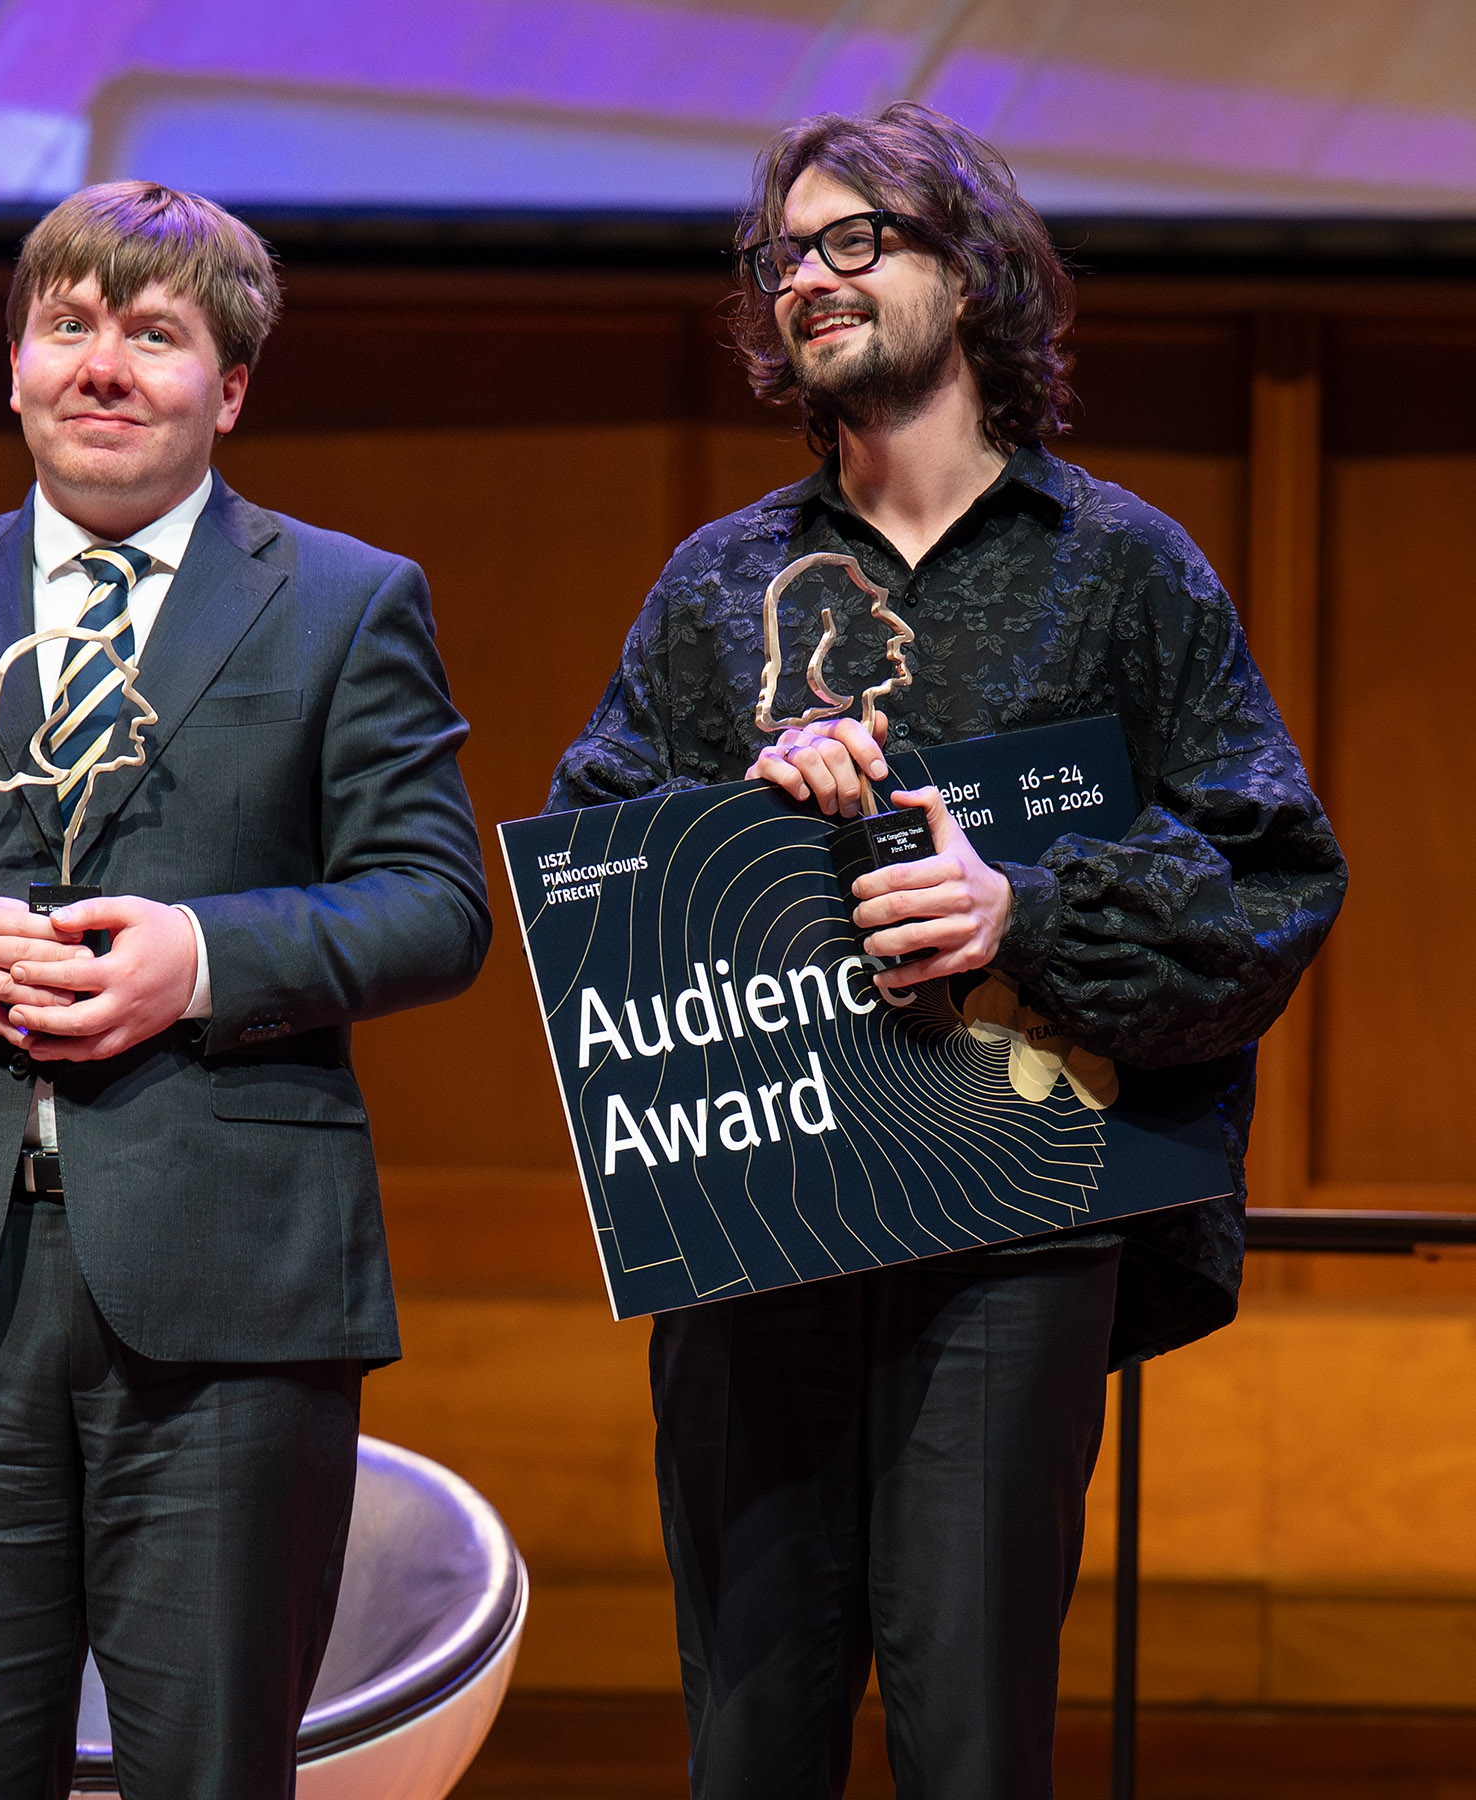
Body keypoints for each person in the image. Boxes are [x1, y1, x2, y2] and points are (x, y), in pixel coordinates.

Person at [546, 105, 1345, 1798]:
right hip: (759, 1228)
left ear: (973, 277)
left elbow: (1274, 880)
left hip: (1011, 1229)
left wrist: (1022, 914)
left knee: (971, 1734)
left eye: (859, 242)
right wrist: (744, 828)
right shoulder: (720, 582)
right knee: (751, 1733)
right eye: (785, 258)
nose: (809, 282)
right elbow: (594, 871)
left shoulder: (1120, 569)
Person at [0, 181, 489, 1798]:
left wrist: (204, 962)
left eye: (154, 336)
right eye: (69, 326)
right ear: (12, 363)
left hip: (235, 1298)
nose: (102, 366)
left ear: (228, 389)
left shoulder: (348, 599)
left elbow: (438, 905)